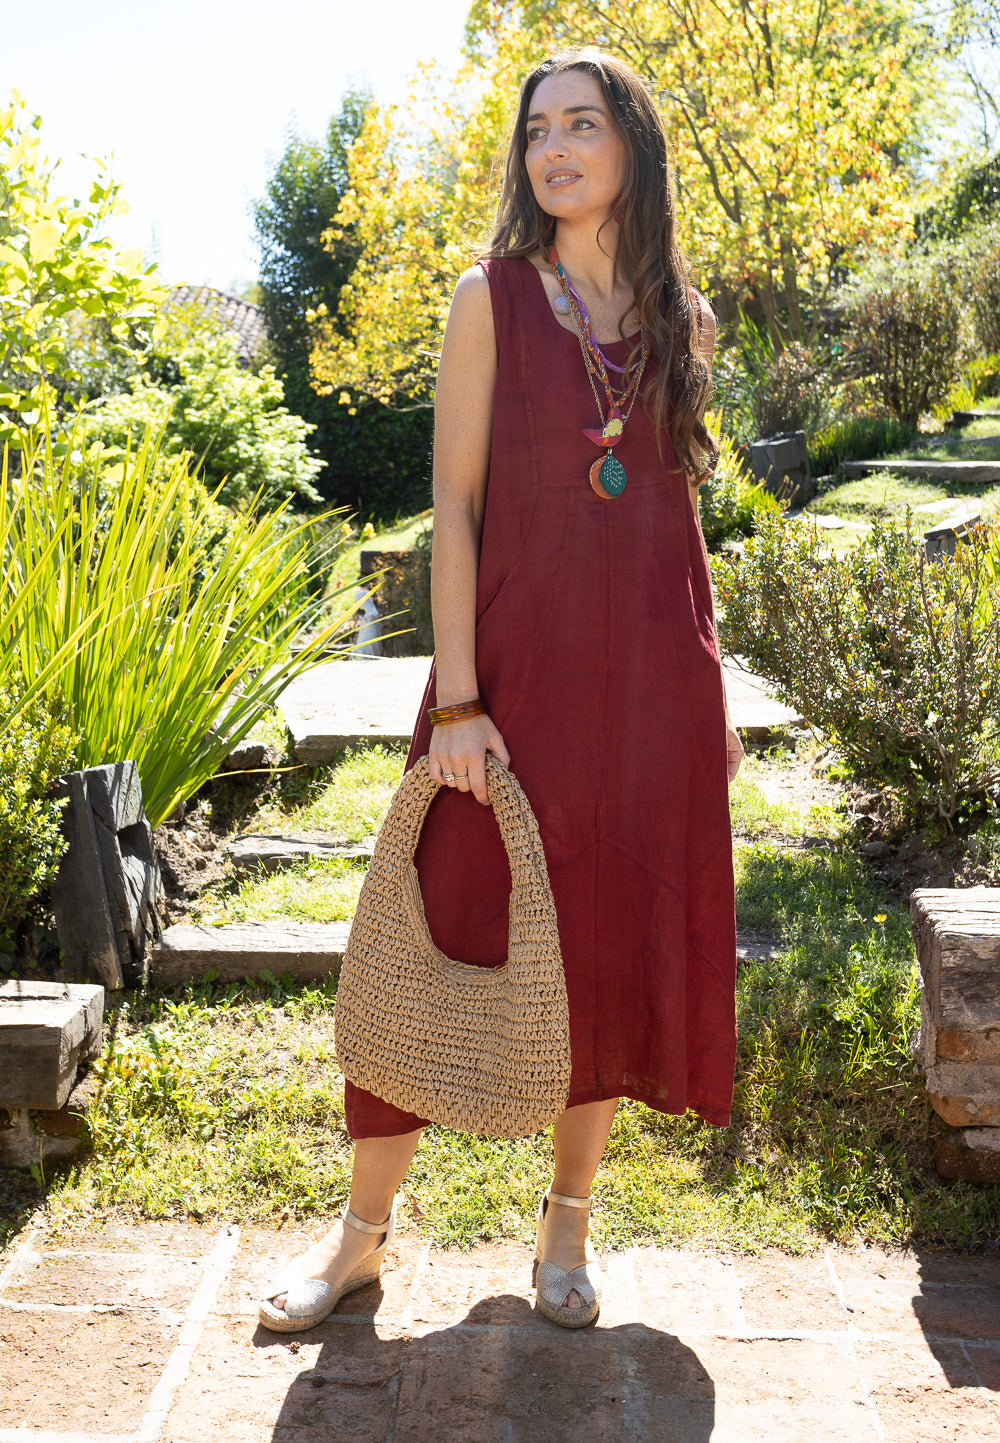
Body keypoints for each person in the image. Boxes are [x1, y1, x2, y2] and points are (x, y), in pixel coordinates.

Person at [260, 46, 744, 1335]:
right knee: (442, 922)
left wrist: (707, 703)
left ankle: (567, 1226)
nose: (554, 150)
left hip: (650, 696)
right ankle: (360, 1241)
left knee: (604, 947)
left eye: (582, 124)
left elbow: (681, 524)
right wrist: (461, 705)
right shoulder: (493, 296)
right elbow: (455, 509)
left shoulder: (683, 320)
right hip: (509, 688)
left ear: (633, 143)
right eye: (537, 132)